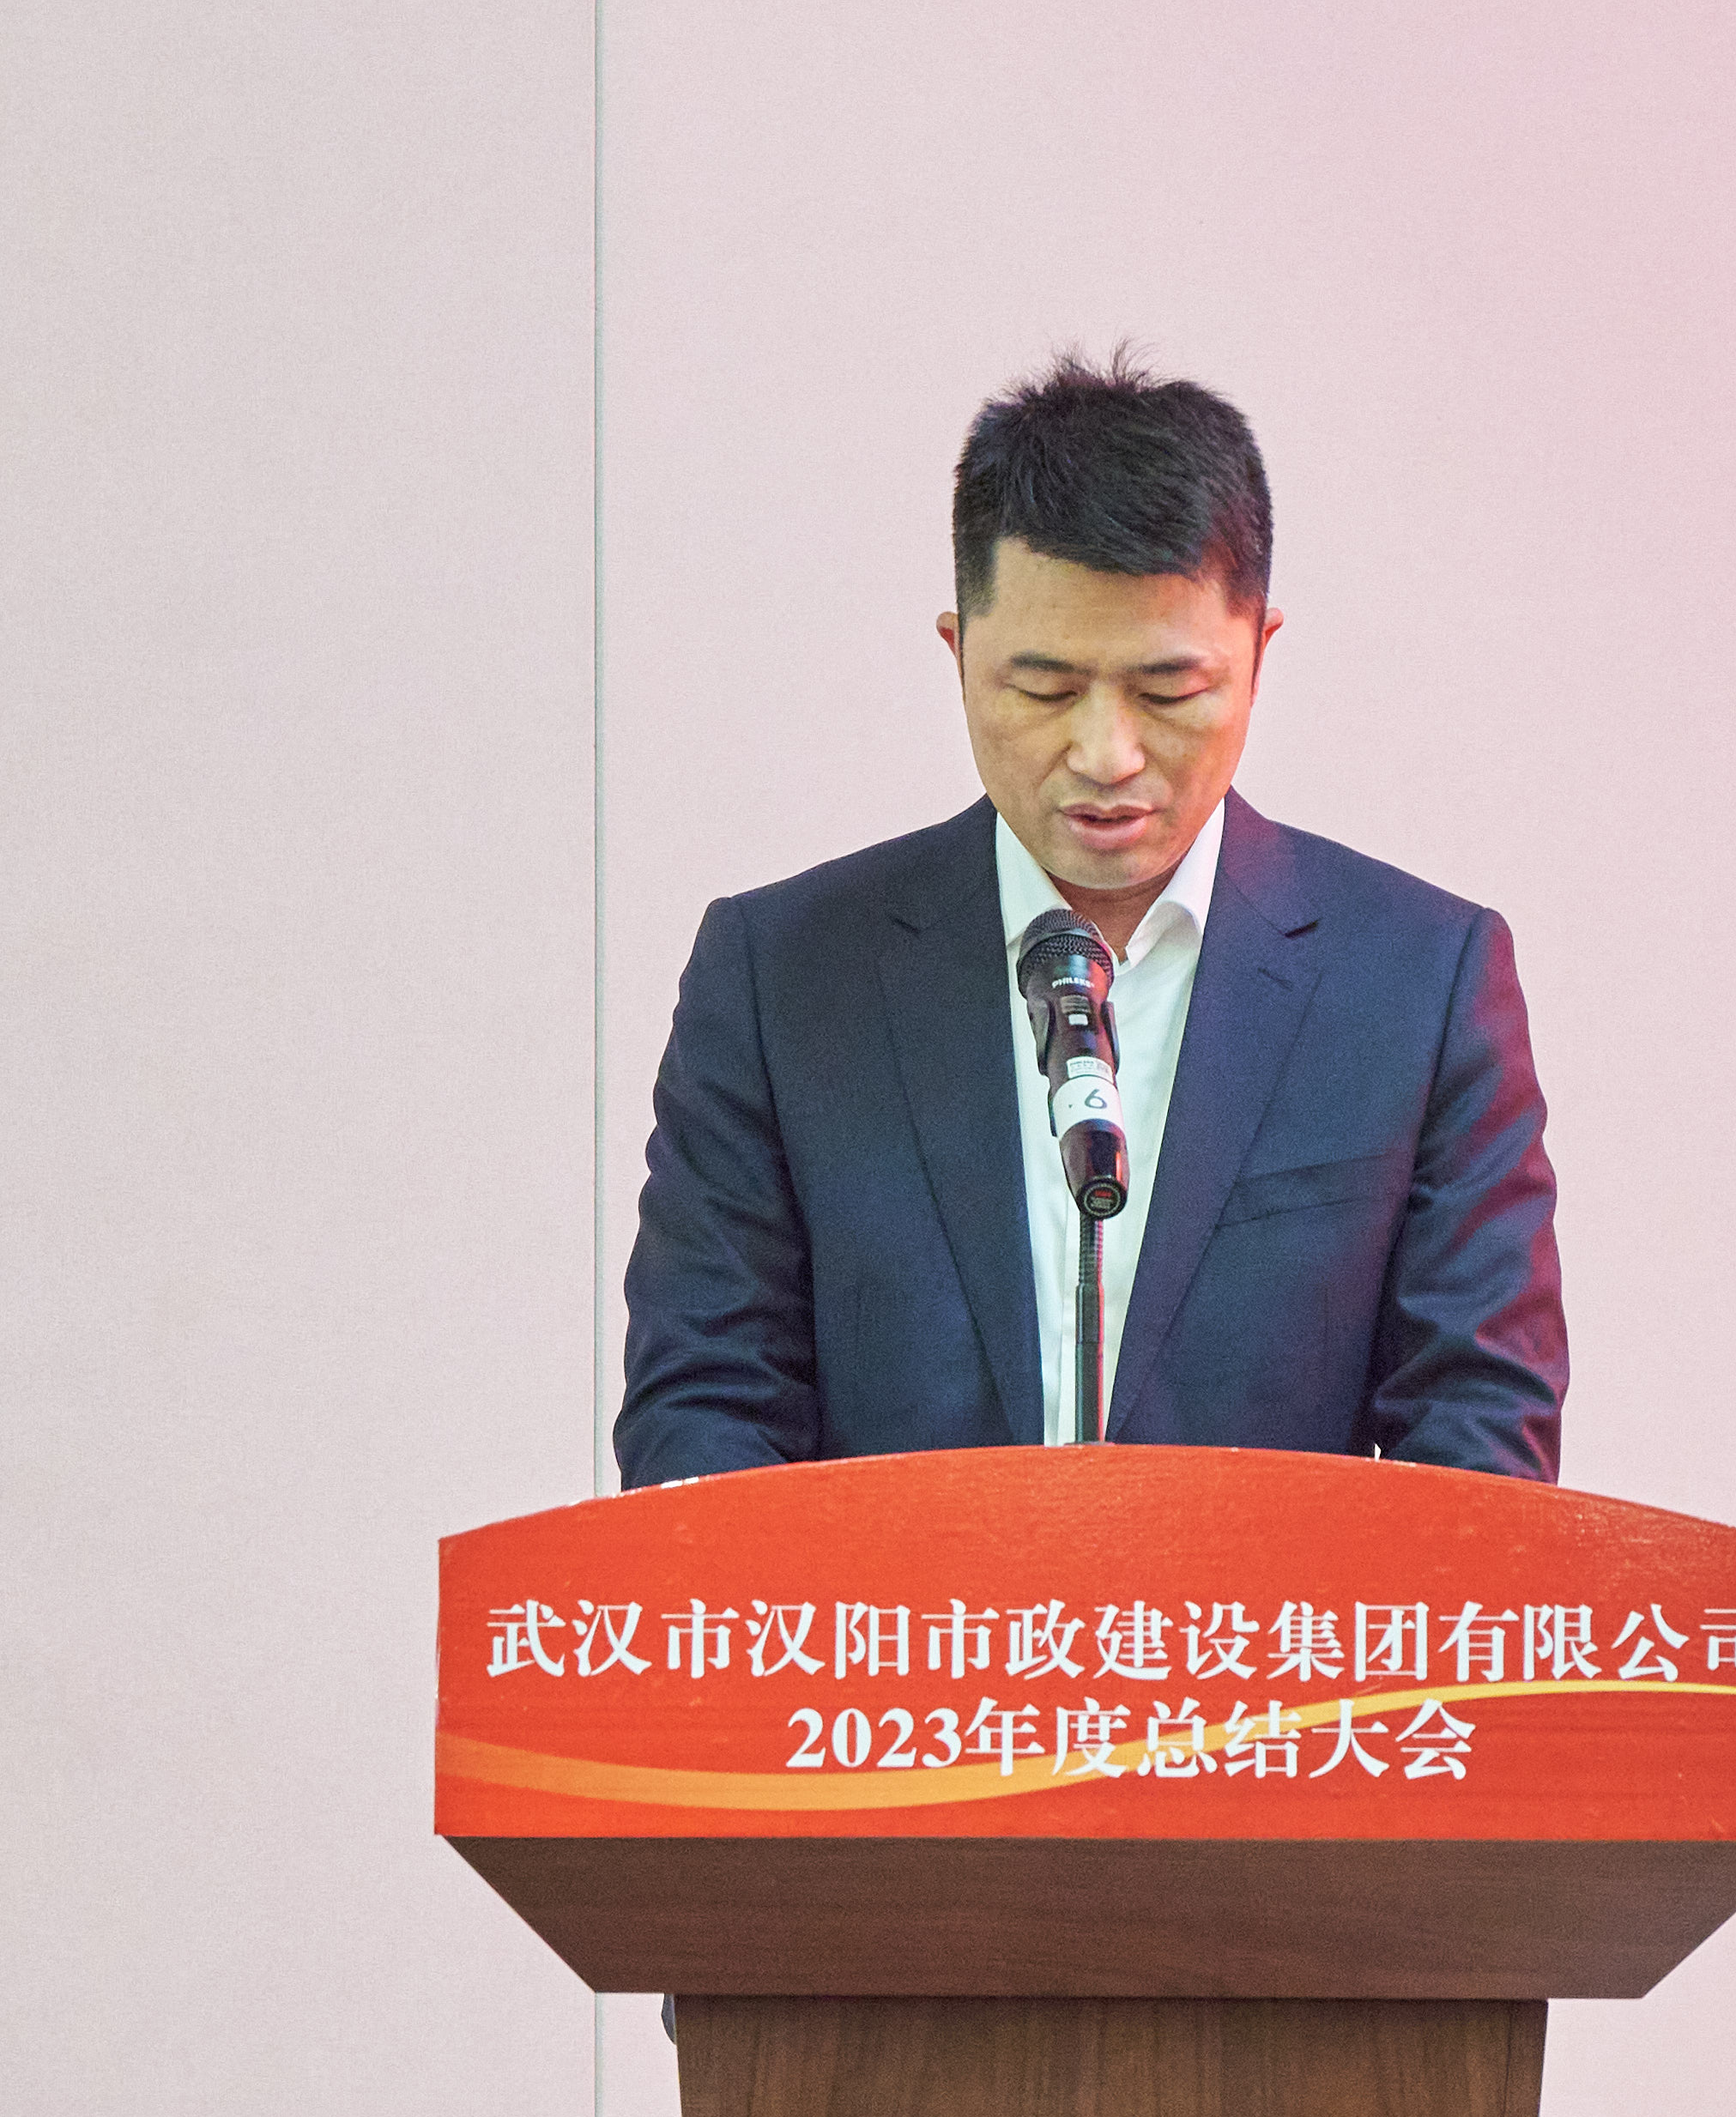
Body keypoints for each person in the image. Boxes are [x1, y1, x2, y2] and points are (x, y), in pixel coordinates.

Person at [614, 351, 1564, 1488]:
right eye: (1044, 689)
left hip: (1283, 1615)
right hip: (887, 1610)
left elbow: (1476, 1432)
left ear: (1258, 656)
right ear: (958, 654)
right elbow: (704, 1409)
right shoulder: (783, 980)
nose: (1106, 755)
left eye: (1169, 691)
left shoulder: (1417, 983)